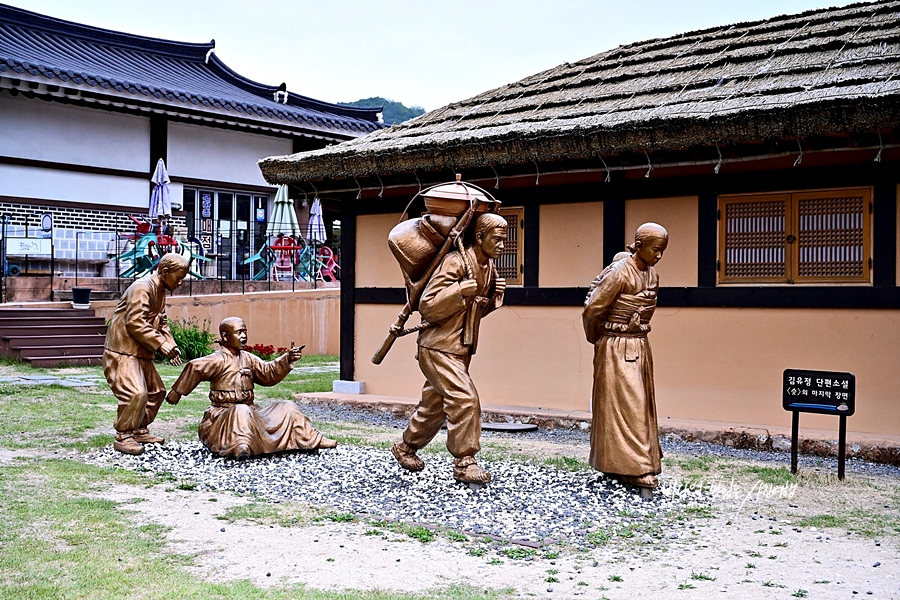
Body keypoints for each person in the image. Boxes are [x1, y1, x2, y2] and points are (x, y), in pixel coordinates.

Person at [391, 212, 507, 484]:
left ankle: (406, 446)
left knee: (435, 405)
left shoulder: (489, 267)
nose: (503, 245)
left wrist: (491, 298)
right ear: (479, 237)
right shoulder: (456, 262)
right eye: (498, 239)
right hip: (437, 347)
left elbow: (472, 312)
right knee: (465, 400)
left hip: (460, 346)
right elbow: (428, 306)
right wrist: (459, 292)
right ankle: (465, 462)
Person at [165, 317, 336, 459]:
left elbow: (268, 373)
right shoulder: (216, 359)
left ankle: (310, 439)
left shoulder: (248, 358)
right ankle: (241, 446)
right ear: (225, 336)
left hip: (251, 411)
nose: (244, 336)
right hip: (223, 415)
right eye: (239, 332)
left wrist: (287, 359)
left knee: (287, 407)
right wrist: (177, 392)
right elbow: (194, 367)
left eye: (245, 332)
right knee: (240, 411)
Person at [582, 223, 669, 489]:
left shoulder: (652, 276)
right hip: (615, 343)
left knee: (640, 406)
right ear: (639, 245)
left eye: (663, 251)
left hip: (640, 344)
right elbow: (592, 309)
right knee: (626, 406)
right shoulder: (619, 273)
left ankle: (627, 463)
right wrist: (601, 338)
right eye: (655, 249)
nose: (659, 256)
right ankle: (633, 466)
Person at [103, 253, 189, 455]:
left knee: (156, 392)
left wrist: (170, 345)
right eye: (179, 277)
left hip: (141, 352)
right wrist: (161, 344)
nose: (181, 282)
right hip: (122, 351)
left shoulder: (160, 290)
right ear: (165, 272)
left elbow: (162, 321)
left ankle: (139, 429)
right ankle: (124, 435)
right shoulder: (142, 288)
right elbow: (135, 322)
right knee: (136, 393)